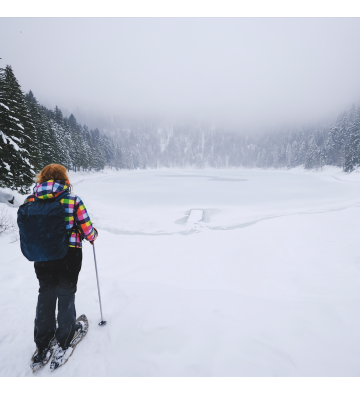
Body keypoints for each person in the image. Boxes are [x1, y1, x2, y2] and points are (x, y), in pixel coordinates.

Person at [23, 164, 98, 364]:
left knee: (45, 293)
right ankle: (65, 338)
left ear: (42, 178)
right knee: (66, 293)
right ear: (64, 179)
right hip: (68, 255)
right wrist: (93, 235)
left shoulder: (31, 200)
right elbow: (88, 230)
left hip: (42, 255)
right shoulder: (72, 200)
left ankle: (42, 342)